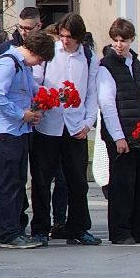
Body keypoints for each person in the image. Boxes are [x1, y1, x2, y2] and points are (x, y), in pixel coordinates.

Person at [30, 14, 99, 246]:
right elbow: (36, 82)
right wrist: (42, 102)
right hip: (48, 125)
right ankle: (40, 227)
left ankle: (78, 227)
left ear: (79, 37)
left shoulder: (89, 57)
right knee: (42, 179)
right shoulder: (51, 52)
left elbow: (91, 92)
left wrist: (88, 122)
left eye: (70, 37)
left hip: (74, 126)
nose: (65, 41)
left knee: (77, 181)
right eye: (62, 36)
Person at [0, 29, 54, 248]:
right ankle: (8, 233)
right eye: (40, 59)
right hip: (4, 131)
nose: (38, 64)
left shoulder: (22, 65)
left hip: (19, 131)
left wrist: (48, 99)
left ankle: (16, 228)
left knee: (17, 181)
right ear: (33, 50)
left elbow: (32, 90)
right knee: (7, 182)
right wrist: (20, 113)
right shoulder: (8, 64)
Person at [93, 19, 140, 245]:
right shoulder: (106, 66)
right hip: (121, 134)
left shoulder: (135, 64)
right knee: (122, 186)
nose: (119, 44)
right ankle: (120, 232)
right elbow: (107, 104)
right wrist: (118, 137)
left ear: (132, 40)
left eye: (124, 40)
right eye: (116, 40)